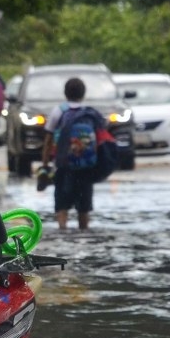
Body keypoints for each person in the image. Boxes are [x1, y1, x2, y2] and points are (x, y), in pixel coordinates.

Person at [41, 77, 109, 230]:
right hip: (87, 167)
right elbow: (103, 138)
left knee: (62, 204)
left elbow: (48, 140)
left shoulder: (59, 111)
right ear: (83, 94)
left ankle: (63, 232)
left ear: (65, 93)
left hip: (64, 166)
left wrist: (45, 164)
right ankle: (83, 234)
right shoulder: (91, 113)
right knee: (84, 207)